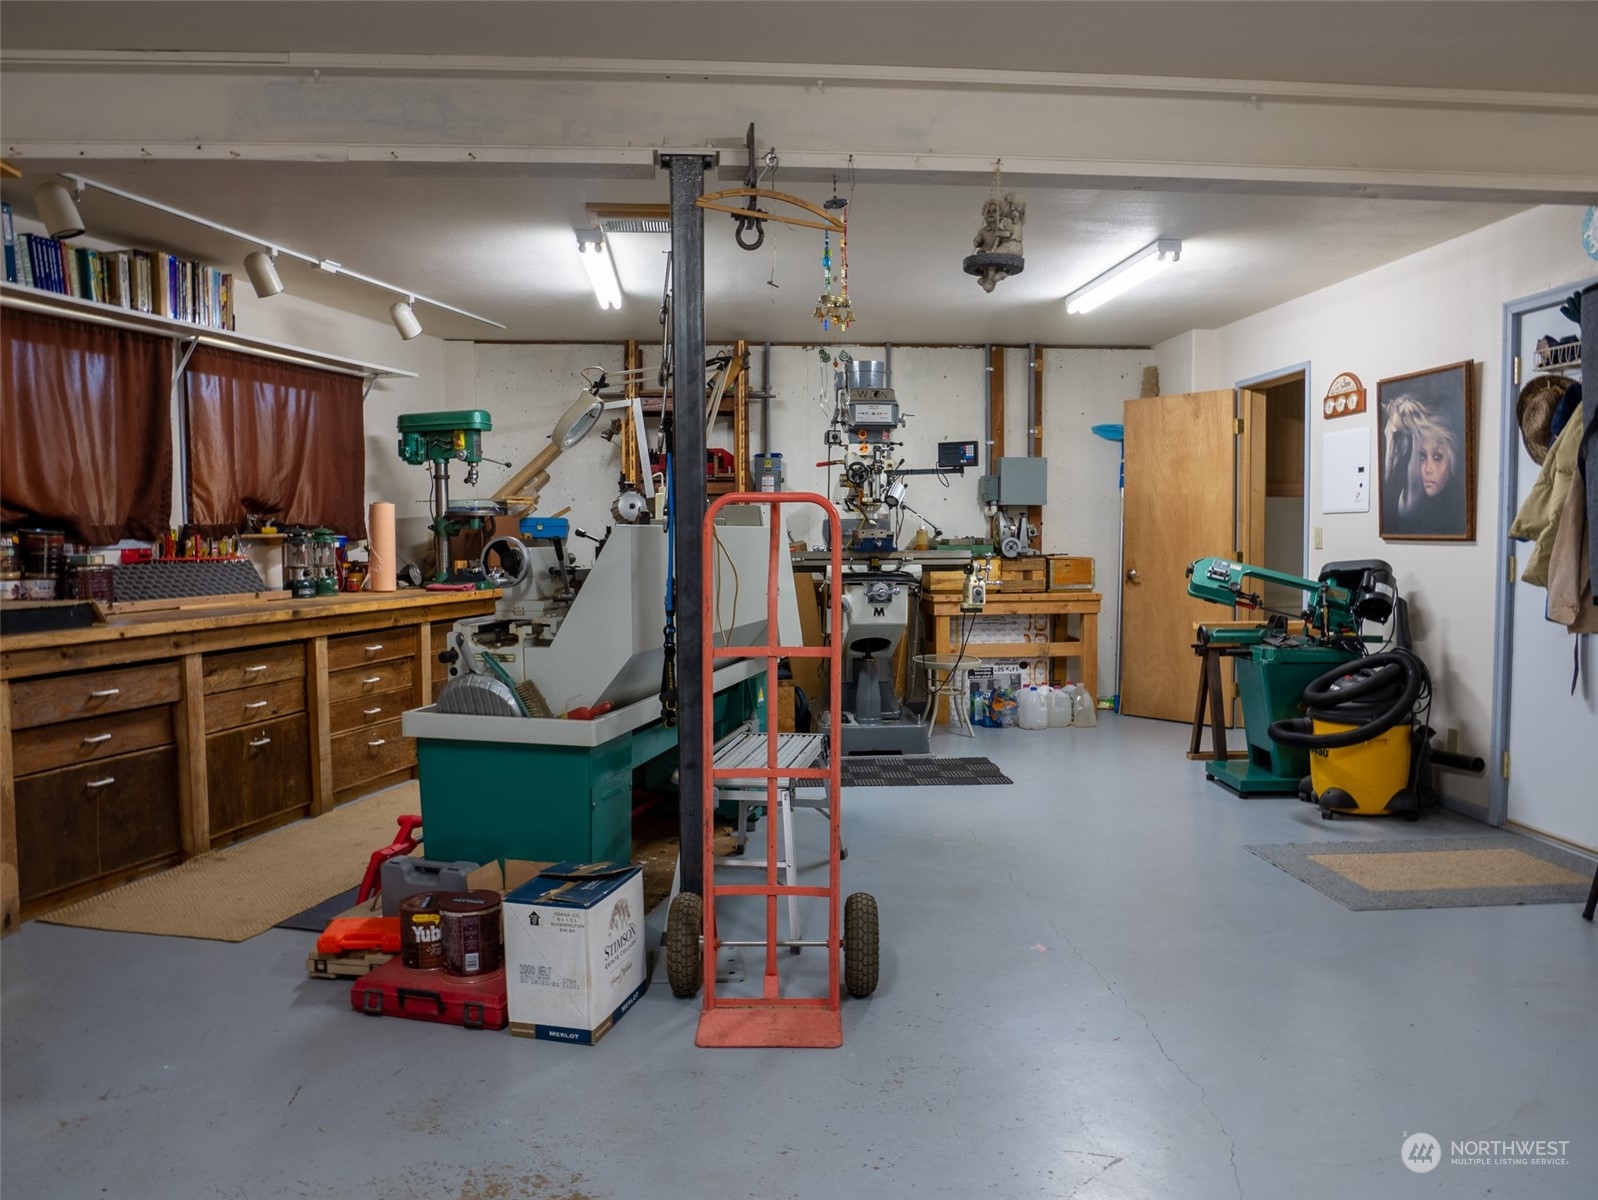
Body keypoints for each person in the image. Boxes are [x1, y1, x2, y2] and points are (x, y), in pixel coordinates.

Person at [1382, 395, 1464, 535]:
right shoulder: (1408, 505)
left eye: (1437, 457)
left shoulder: (1456, 511)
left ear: (1452, 460)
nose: (1428, 470)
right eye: (1422, 457)